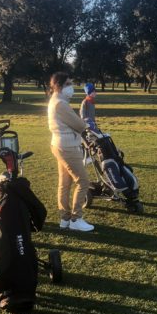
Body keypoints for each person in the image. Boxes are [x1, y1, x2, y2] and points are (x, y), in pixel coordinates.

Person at [47, 72, 95, 232]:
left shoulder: (56, 101)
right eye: (68, 84)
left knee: (65, 183)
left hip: (59, 145)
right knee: (83, 181)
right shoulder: (60, 104)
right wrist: (87, 127)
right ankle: (76, 218)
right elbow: (79, 124)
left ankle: (65, 218)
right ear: (59, 86)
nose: (71, 87)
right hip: (67, 146)